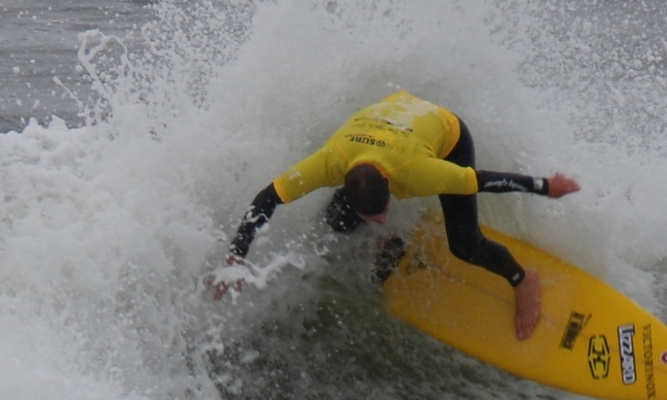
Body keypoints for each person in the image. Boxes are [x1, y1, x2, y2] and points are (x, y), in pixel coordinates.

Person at [211, 91, 579, 339]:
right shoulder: (331, 161)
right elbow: (267, 198)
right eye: (376, 217)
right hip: (391, 121)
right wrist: (236, 255)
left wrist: (547, 186)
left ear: (393, 187)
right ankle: (388, 241)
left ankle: (521, 280)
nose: (384, 217)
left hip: (444, 132)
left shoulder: (419, 172)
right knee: (336, 221)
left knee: (465, 244)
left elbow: (486, 180)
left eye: (385, 212)